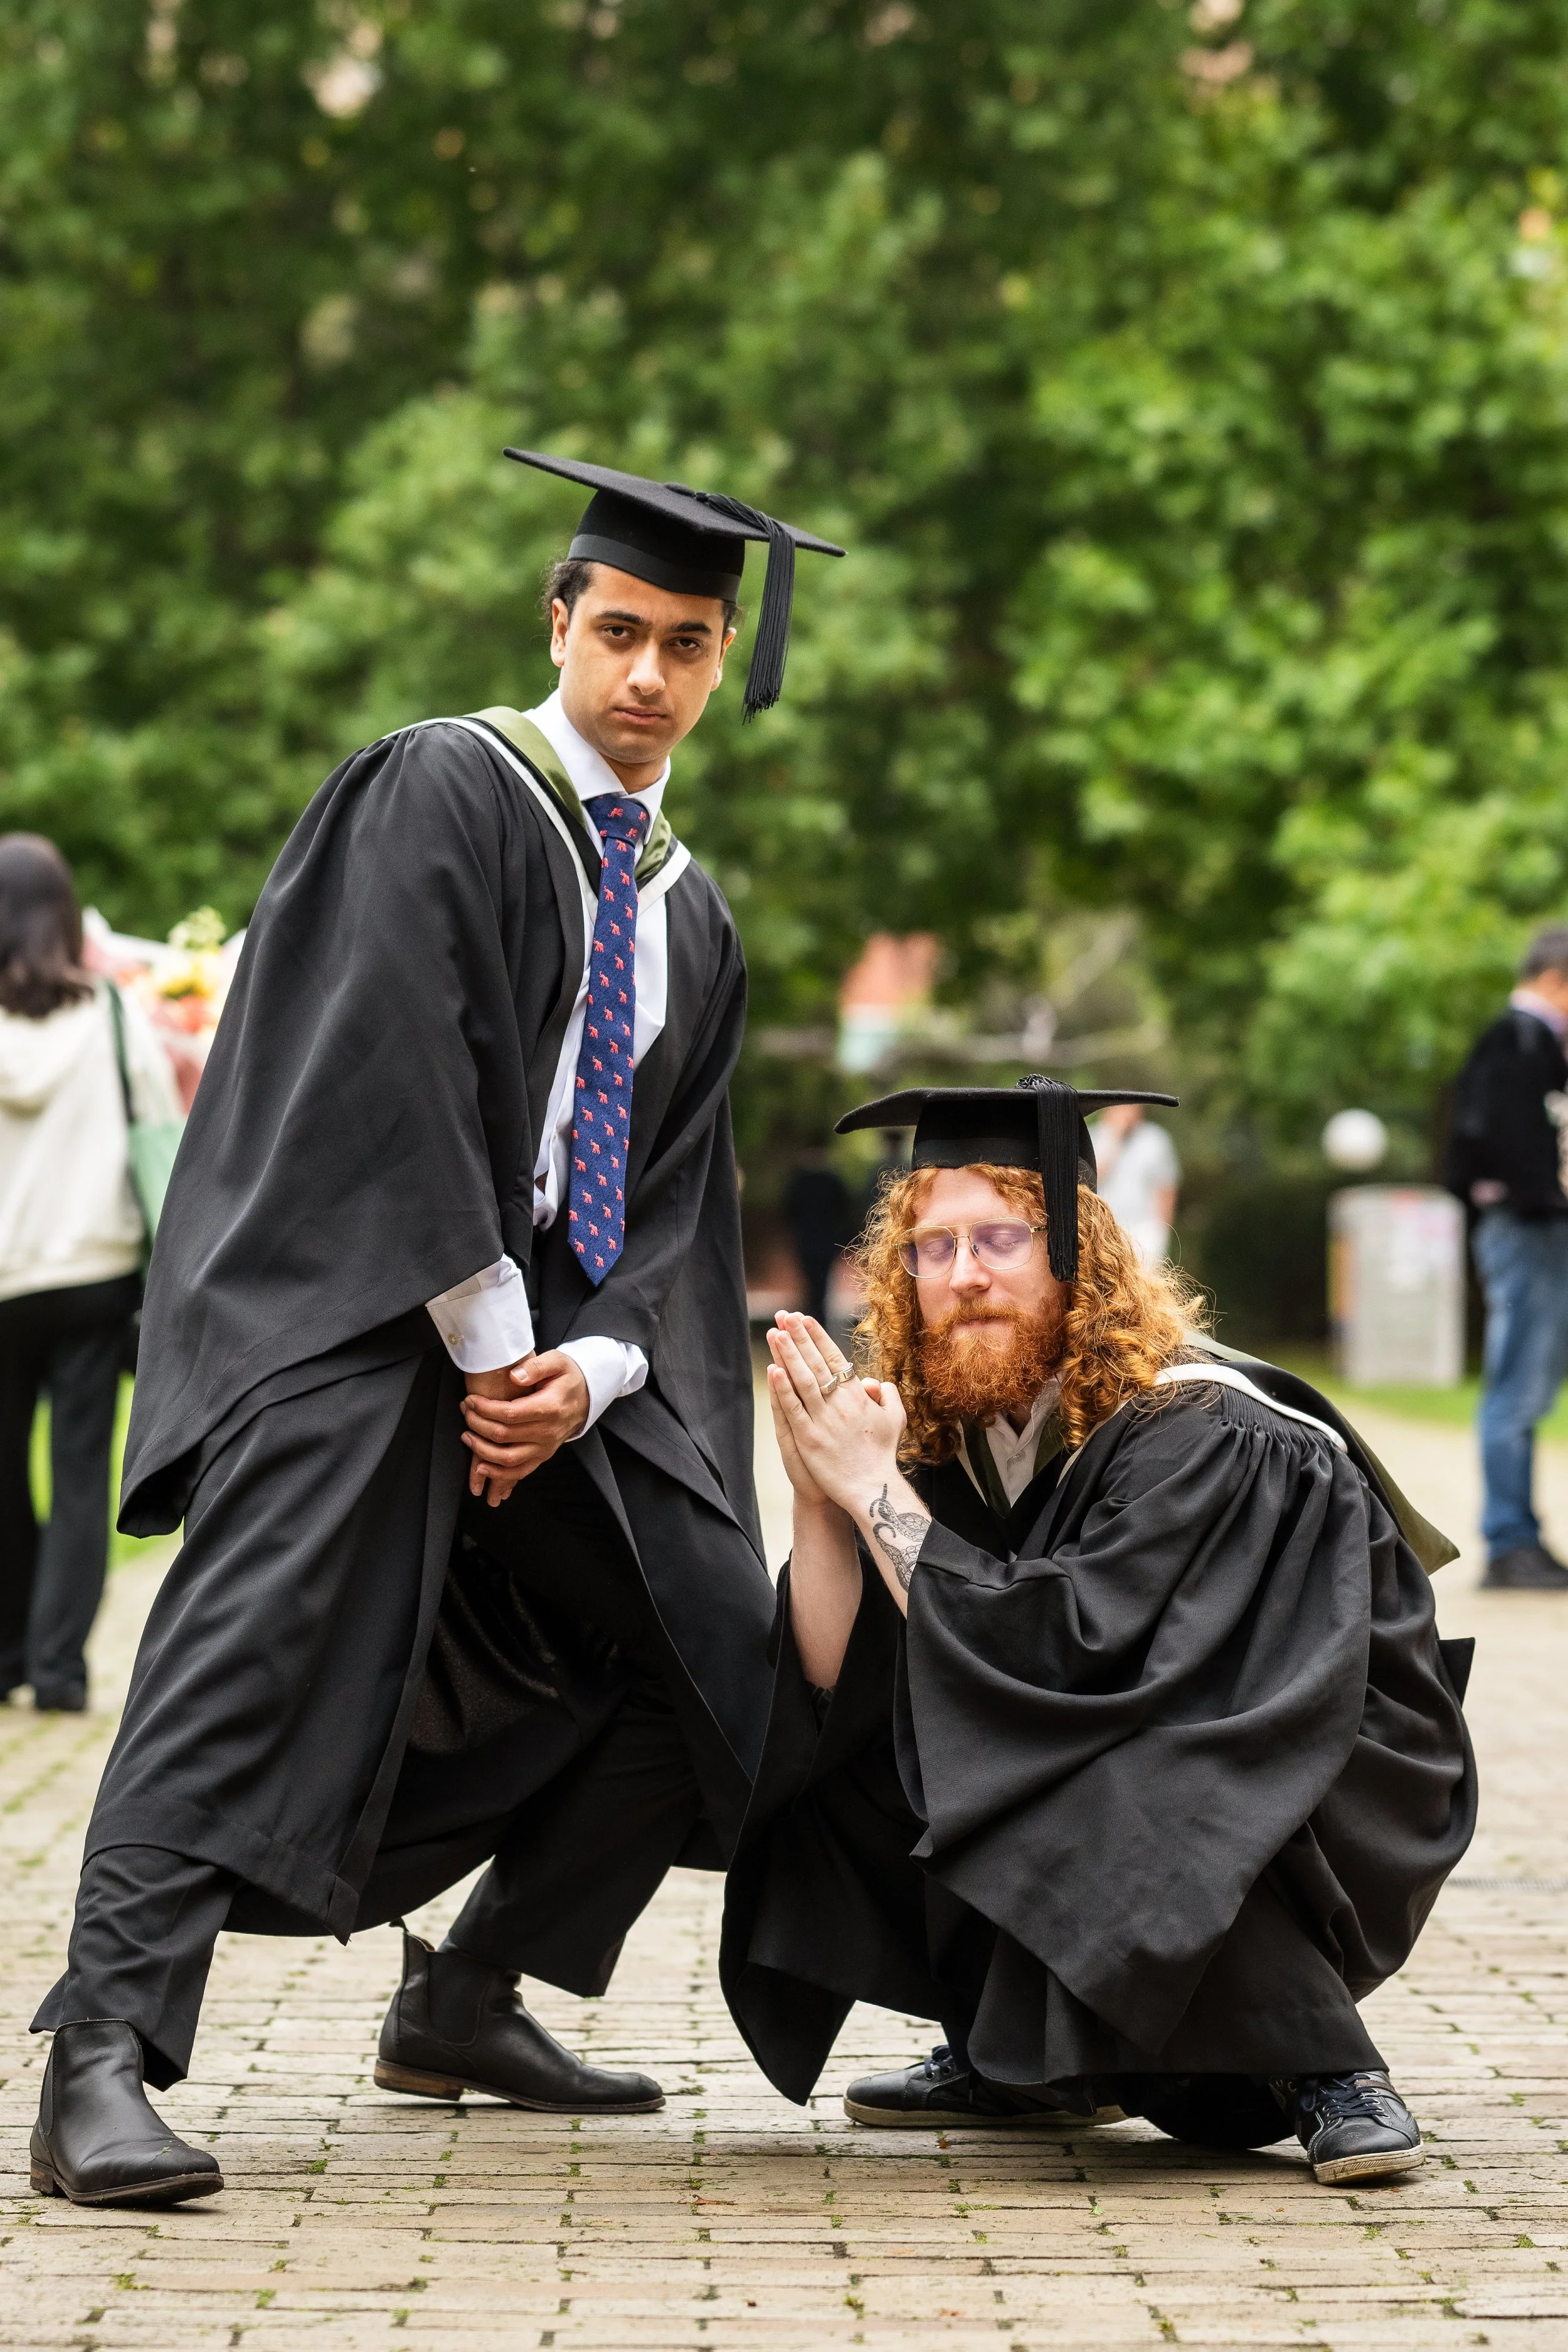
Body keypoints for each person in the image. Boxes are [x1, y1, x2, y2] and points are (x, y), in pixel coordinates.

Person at [28, 453, 844, 2210]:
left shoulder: (692, 912)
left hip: (548, 1349)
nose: (646, 673)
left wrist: (600, 1366)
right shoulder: (439, 787)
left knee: (707, 1631)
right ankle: (101, 2049)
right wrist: (488, 1345)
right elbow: (382, 1076)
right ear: (555, 622)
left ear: (720, 668)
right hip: (351, 1297)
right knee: (252, 1631)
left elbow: (679, 1204)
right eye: (617, 630)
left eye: (686, 644)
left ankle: (470, 1992)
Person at [722, 1075, 1476, 2188]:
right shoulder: (959, 1438)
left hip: (1312, 1760)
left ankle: (1328, 2069)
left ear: (1082, 1252)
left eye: (1001, 1237)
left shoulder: (1208, 1427)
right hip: (1137, 1719)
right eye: (933, 1248)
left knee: (1103, 1746)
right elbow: (846, 1685)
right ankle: (1016, 2051)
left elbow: (1072, 1655)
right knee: (877, 1735)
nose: (965, 1275)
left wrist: (876, 1490)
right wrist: (822, 1504)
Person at [0, 837, 179, 1714]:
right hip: (96, 1276)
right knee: (79, 1475)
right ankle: (61, 1668)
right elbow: (161, 1129)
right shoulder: (113, 1014)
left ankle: (4, 1657)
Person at [1444, 926, 1568, 1589]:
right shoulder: (1520, 1039)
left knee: (1527, 1386)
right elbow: (1483, 1148)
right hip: (1524, 1230)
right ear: (1557, 980)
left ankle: (1520, 1535)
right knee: (1516, 1388)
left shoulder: (1524, 1042)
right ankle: (1509, 1540)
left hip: (1527, 1228)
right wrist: (1540, 1195)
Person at [1089, 1099, 1180, 1263]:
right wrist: (1115, 1137)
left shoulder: (1155, 1140)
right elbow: (1090, 1179)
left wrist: (1162, 1231)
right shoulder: (1094, 1137)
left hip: (1144, 1230)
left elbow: (1167, 1187)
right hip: (1104, 1229)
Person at [781, 1150, 856, 1323]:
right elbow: (843, 1211)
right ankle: (817, 1321)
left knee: (810, 1286)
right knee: (820, 1287)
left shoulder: (800, 1181)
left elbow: (790, 1212)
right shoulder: (832, 1180)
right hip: (826, 1242)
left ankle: (812, 1320)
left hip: (806, 1241)